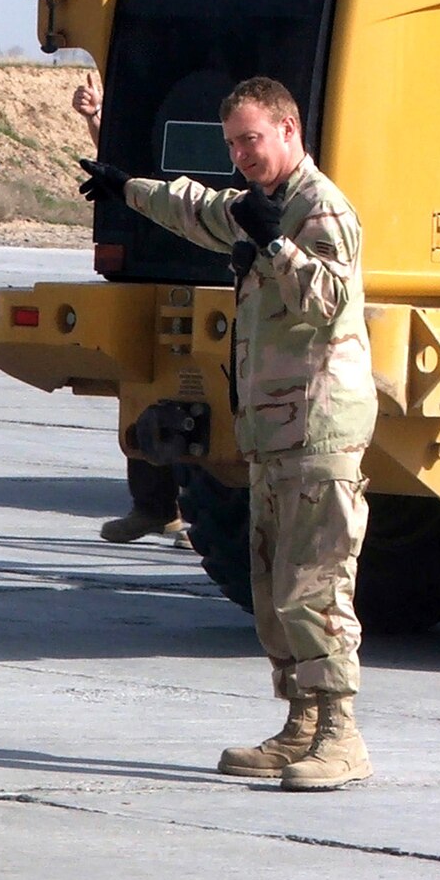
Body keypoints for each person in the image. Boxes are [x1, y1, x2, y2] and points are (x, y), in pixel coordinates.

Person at [78, 77, 377, 790]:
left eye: (253, 138)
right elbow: (198, 208)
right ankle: (300, 725)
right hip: (274, 430)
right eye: (233, 144)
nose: (242, 154)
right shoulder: (256, 206)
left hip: (319, 427)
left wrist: (273, 245)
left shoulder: (317, 208)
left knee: (315, 583)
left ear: (289, 129)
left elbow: (328, 299)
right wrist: (126, 188)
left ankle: (342, 735)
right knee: (274, 586)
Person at [73, 69, 188, 546]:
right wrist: (97, 116)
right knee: (145, 384)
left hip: (210, 257)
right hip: (157, 257)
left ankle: (194, 515)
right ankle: (153, 507)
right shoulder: (164, 109)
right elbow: (118, 164)